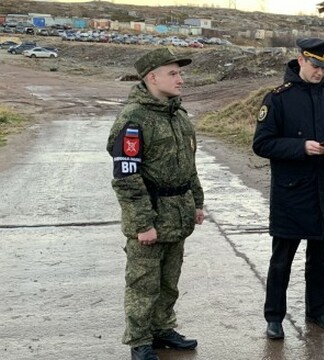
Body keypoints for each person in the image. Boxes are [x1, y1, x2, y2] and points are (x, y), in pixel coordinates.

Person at [107, 47, 206, 360]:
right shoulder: (133, 118)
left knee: (169, 281)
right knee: (143, 283)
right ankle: (139, 341)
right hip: (150, 214)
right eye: (173, 73)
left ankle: (163, 329)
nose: (180, 78)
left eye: (180, 72)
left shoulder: (178, 114)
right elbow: (126, 176)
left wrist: (197, 203)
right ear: (152, 77)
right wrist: (142, 223)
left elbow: (189, 164)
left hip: (178, 213)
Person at [252, 37, 324, 340]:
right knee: (282, 258)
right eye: (314, 65)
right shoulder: (278, 98)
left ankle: (317, 311)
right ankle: (274, 317)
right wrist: (301, 147)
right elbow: (262, 143)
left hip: (322, 190)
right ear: (300, 61)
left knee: (318, 257)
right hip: (291, 191)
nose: (320, 72)